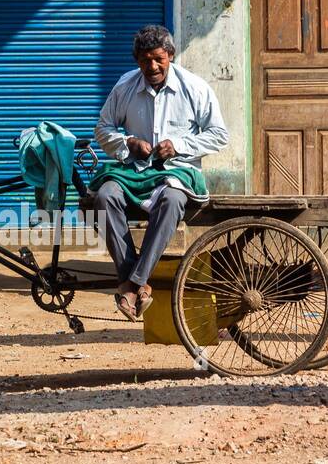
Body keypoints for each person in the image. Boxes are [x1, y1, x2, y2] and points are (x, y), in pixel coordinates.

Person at [92, 25, 229, 320]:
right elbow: (102, 130)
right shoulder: (125, 86)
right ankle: (135, 279)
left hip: (176, 173)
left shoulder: (195, 87)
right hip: (133, 173)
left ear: (170, 56)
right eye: (145, 61)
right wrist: (127, 142)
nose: (152, 66)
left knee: (172, 200)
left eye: (158, 59)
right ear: (137, 61)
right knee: (104, 197)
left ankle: (133, 283)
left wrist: (179, 146)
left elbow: (219, 135)